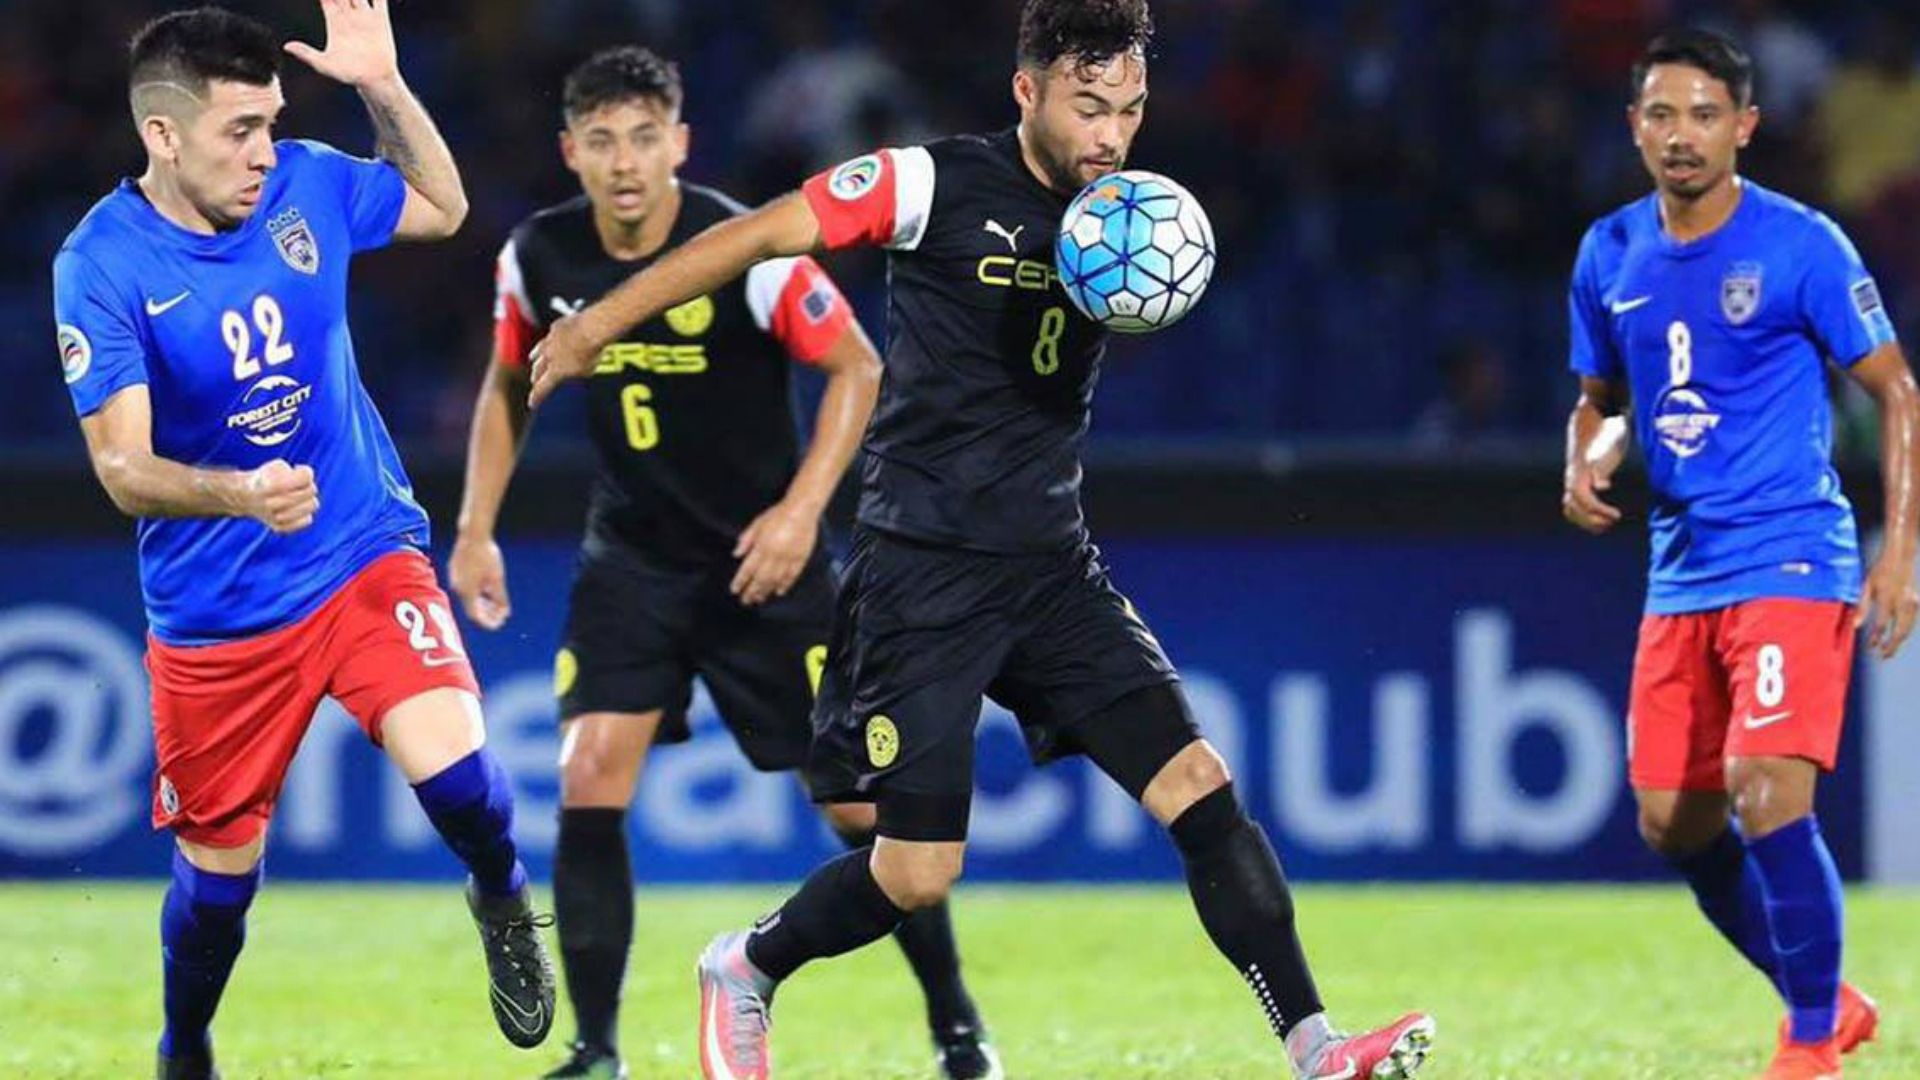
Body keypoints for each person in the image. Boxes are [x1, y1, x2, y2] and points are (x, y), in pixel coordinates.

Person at [526, 3, 1436, 1078]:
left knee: (1198, 784)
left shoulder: (1130, 217)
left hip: (1053, 569)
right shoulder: (933, 185)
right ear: (1027, 90)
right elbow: (759, 233)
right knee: (916, 872)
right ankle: (750, 966)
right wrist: (595, 322)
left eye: (1130, 111)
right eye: (1088, 106)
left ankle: (1316, 1046)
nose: (1110, 135)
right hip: (924, 575)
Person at [448, 46, 1000, 1080]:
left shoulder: (742, 248)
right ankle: (597, 1051)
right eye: (603, 141)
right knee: (590, 772)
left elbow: (857, 368)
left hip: (766, 567)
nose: (625, 163)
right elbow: (507, 386)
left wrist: (800, 514)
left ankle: (956, 1024)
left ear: (680, 144)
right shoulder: (540, 257)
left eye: (645, 138)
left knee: (858, 808)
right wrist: (475, 527)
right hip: (635, 560)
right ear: (571, 151)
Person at [50, 6, 557, 1077]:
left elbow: (443, 206)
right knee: (219, 888)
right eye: (239, 129)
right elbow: (121, 470)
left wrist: (383, 86)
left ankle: (503, 894)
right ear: (164, 135)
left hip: (357, 543)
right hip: (218, 610)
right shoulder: (100, 264)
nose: (263, 151)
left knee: (457, 768)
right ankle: (185, 1046)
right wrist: (239, 493)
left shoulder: (307, 183)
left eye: (272, 122)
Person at [1562, 28, 1918, 1080]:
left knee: (1769, 793)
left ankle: (1809, 1044)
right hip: (1681, 572)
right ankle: (1830, 998)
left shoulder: (1801, 245)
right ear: (1634, 128)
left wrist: (1899, 552)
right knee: (1674, 821)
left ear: (1746, 128)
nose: (1682, 136)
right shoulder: (1608, 253)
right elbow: (1600, 404)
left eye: (1704, 115)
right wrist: (1583, 457)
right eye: (1662, 115)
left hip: (1792, 557)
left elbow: (1897, 390)